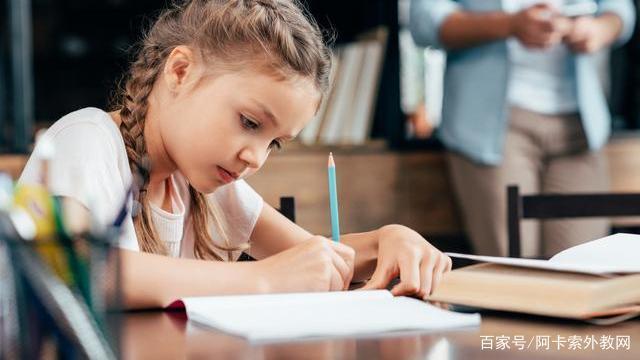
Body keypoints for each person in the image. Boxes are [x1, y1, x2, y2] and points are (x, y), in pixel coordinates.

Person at [18, 0, 451, 309]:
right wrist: (262, 278)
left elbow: (313, 257)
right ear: (181, 71)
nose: (257, 159)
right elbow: (82, 269)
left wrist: (388, 241)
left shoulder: (207, 186)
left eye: (274, 142)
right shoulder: (87, 138)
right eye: (249, 123)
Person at [410, 0, 635, 258]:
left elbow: (621, 12)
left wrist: (598, 30)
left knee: (586, 265)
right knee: (515, 266)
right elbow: (424, 21)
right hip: (493, 128)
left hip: (580, 125)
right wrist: (509, 25)